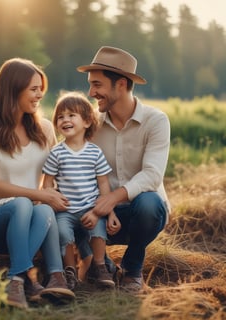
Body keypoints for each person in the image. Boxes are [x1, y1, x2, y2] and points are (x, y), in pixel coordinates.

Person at [0, 57, 75, 309]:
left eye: (41, 89)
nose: (40, 95)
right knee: (24, 204)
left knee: (43, 207)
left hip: (31, 219)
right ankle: (22, 278)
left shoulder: (45, 129)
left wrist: (57, 196)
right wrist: (39, 195)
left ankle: (51, 277)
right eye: (33, 89)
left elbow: (54, 177)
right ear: (13, 89)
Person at [76, 46, 171, 293]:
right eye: (90, 85)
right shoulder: (90, 124)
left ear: (120, 84)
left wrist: (113, 198)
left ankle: (132, 267)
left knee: (149, 203)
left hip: (142, 215)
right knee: (69, 207)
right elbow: (75, 170)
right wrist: (102, 207)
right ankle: (103, 265)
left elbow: (152, 175)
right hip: (100, 216)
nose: (91, 92)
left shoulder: (156, 121)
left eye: (97, 85)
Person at [42, 91, 121, 291]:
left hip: (90, 209)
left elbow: (104, 185)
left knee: (98, 230)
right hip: (65, 211)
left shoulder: (94, 152)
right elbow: (47, 183)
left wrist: (106, 211)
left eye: (71, 115)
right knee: (62, 233)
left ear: (86, 122)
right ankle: (70, 272)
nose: (65, 120)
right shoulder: (56, 152)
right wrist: (52, 200)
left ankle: (100, 266)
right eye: (60, 117)